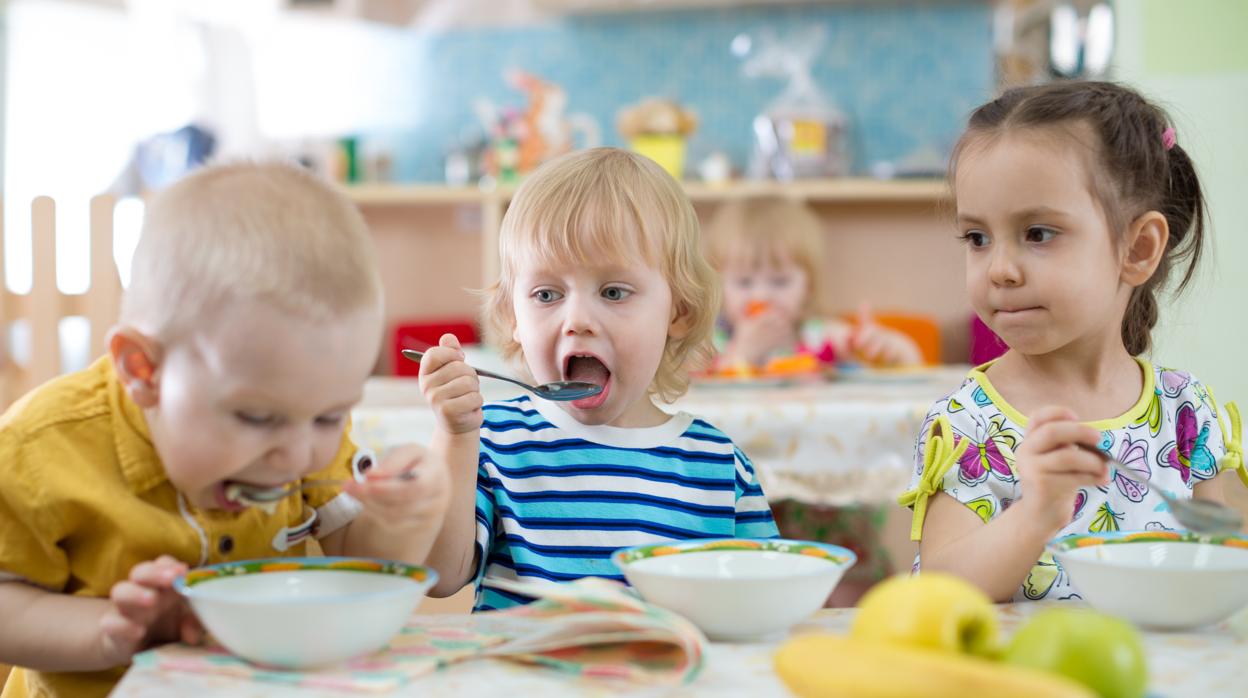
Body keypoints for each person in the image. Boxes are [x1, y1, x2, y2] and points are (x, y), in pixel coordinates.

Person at [0, 162, 450, 697]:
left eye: (330, 416)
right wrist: (113, 631)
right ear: (144, 371)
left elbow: (364, 567)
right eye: (257, 418)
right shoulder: (39, 450)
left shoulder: (299, 421)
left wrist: (406, 522)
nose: (301, 455)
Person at [901, 81, 1245, 602]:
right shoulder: (969, 423)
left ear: (1138, 248)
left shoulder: (1184, 412)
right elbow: (943, 589)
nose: (1000, 270)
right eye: (977, 238)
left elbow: (1224, 557)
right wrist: (1038, 512)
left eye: (1037, 233)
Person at [418, 147, 779, 611]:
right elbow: (440, 577)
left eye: (613, 292)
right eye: (547, 294)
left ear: (680, 312)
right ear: (512, 316)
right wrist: (455, 436)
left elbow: (760, 604)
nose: (577, 320)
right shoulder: (493, 442)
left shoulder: (718, 466)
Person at [705, 197, 923, 371]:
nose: (761, 296)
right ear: (719, 287)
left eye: (780, 282)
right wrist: (742, 353)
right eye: (744, 282)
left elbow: (909, 361)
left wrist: (882, 346)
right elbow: (703, 400)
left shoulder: (818, 335)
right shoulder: (711, 344)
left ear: (808, 286)